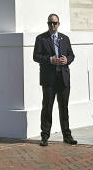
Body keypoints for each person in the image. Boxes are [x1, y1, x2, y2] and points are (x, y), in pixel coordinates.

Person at [33, 13, 77, 146]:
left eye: (55, 23)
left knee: (64, 108)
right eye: (50, 23)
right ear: (48, 24)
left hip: (63, 79)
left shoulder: (65, 38)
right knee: (47, 107)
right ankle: (45, 136)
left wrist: (66, 60)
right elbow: (36, 56)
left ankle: (67, 136)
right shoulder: (41, 38)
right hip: (49, 79)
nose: (52, 25)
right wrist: (50, 59)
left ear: (59, 24)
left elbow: (71, 55)